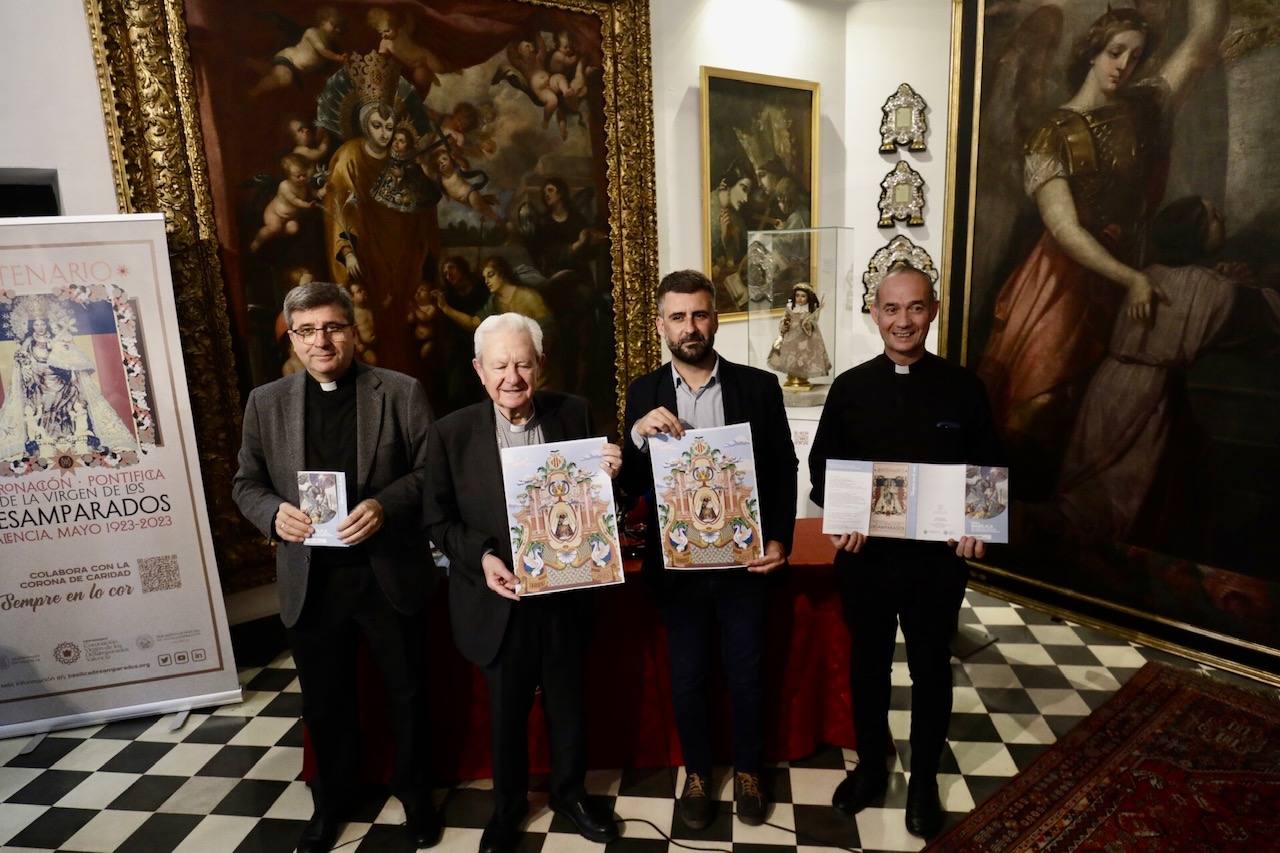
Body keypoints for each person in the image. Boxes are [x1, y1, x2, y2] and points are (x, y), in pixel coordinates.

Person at [976, 2, 1226, 492]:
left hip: (1119, 275)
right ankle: (997, 534)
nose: (1124, 66)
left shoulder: (1144, 111)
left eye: (1135, 57)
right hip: (1060, 284)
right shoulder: (1051, 133)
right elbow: (1066, 230)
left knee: (1100, 413)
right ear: (1093, 52)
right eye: (1115, 52)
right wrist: (1131, 278)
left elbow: (1200, 45)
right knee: (1037, 403)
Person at [231, 281, 439, 853]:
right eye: (307, 330)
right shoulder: (265, 402)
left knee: (408, 695)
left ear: (353, 330)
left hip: (387, 574)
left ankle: (416, 794)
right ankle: (333, 801)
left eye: (333, 327)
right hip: (312, 581)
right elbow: (245, 484)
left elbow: (430, 473)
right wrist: (274, 515)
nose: (321, 340)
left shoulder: (400, 391)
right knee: (324, 701)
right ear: (293, 338)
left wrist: (384, 505)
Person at [808, 263, 1003, 839]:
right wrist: (842, 518)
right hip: (866, 560)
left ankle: (922, 783)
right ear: (874, 314)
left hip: (934, 565)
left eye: (915, 307)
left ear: (933, 311)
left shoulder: (964, 387)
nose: (903, 321)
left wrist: (977, 524)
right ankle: (871, 766)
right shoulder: (850, 387)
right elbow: (823, 471)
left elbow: (988, 467)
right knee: (867, 666)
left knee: (929, 669)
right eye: (891, 309)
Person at [424, 312, 622, 853]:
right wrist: (483, 557)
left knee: (567, 703)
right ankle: (507, 809)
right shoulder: (450, 433)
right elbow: (436, 520)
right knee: (506, 714)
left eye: (523, 363)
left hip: (565, 590)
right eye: (500, 365)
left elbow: (602, 507)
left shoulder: (574, 413)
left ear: (540, 366)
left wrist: (610, 475)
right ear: (479, 371)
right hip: (496, 598)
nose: (512, 376)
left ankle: (572, 795)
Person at [620, 270, 798, 829]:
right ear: (660, 325)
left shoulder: (759, 386)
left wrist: (780, 539)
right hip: (677, 570)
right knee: (689, 675)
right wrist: (634, 437)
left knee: (746, 672)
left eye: (699, 314)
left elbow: (783, 469)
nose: (690, 327)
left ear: (715, 318)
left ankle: (748, 770)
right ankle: (697, 774)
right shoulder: (642, 393)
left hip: (743, 561)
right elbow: (626, 487)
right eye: (678, 317)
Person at [767, 282, 830, 388]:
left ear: (808, 297)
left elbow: (814, 321)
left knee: (804, 357)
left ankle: (802, 376)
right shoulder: (790, 307)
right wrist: (784, 324)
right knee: (791, 357)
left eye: (803, 296)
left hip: (806, 338)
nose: (800, 299)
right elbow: (784, 318)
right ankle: (792, 376)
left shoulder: (810, 309)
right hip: (791, 337)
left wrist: (808, 323)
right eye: (797, 296)